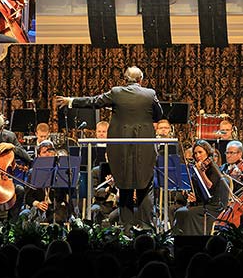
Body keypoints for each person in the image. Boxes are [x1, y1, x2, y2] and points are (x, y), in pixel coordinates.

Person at [55, 66, 163, 230]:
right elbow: (158, 114)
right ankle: (146, 228)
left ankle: (126, 230)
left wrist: (71, 101)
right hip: (145, 148)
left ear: (125, 79)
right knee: (145, 186)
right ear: (141, 80)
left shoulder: (116, 92)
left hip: (120, 150)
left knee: (125, 186)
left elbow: (94, 101)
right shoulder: (150, 94)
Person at [172, 140, 229, 235]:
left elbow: (209, 186)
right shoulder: (195, 168)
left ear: (207, 152)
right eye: (195, 153)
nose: (198, 156)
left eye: (200, 152)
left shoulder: (213, 168)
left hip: (213, 206)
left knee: (188, 213)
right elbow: (198, 190)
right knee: (179, 212)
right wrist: (193, 197)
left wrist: (201, 172)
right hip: (202, 203)